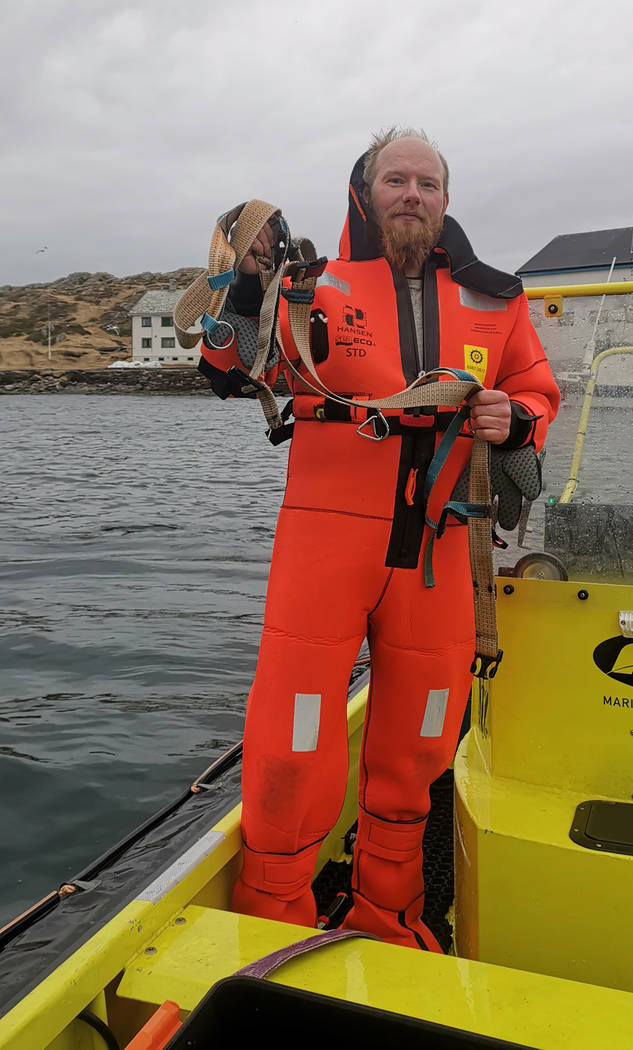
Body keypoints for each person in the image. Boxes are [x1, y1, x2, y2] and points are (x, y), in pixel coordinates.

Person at [200, 128, 560, 951]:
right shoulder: (309, 288)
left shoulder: (498, 301)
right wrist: (248, 289)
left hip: (440, 551)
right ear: (365, 195)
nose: (411, 194)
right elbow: (227, 372)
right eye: (394, 180)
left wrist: (514, 419)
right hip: (322, 553)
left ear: (444, 200)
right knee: (292, 743)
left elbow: (537, 390)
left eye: (426, 183)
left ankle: (389, 915)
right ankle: (272, 923)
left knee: (420, 743)